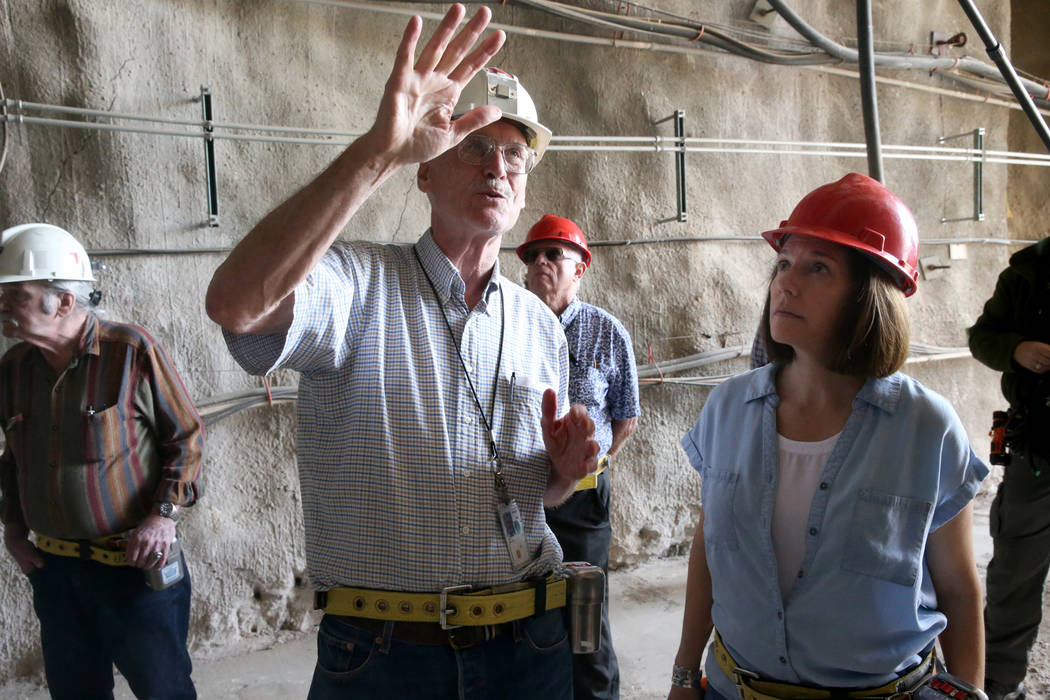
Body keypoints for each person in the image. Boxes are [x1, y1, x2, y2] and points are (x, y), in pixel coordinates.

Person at [205, 6, 598, 699]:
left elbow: (533, 497)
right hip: (387, 657)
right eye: (474, 145)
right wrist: (377, 153)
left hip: (530, 645)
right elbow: (237, 305)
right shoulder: (358, 285)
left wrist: (563, 474)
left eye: (514, 155)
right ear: (425, 169)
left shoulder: (541, 325)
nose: (496, 168)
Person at [668, 173, 988, 700]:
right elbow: (708, 548)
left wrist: (967, 692)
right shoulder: (728, 408)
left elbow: (957, 586)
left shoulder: (926, 428)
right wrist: (684, 677)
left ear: (869, 297)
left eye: (819, 268)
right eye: (785, 264)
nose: (786, 284)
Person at [0, 223, 204, 700]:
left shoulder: (130, 351)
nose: (2, 304)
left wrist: (163, 517)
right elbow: (12, 457)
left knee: (163, 690)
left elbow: (188, 439)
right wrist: (12, 530)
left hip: (133, 569)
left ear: (64, 301)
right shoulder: (11, 371)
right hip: (54, 572)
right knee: (74, 692)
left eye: (16, 294)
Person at [519, 214, 641, 700]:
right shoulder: (510, 326)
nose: (541, 263)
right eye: (533, 255)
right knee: (528, 619)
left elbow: (625, 420)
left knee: (585, 621)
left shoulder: (606, 333)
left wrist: (585, 466)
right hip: (523, 498)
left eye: (554, 254)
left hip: (583, 507)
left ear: (580, 268)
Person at [968, 237, 1050, 700]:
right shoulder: (1027, 273)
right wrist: (1017, 349)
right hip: (1036, 449)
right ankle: (999, 683)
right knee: (1015, 572)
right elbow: (982, 336)